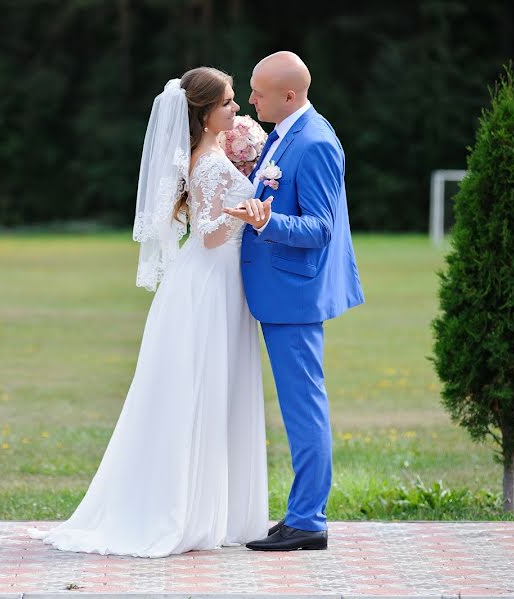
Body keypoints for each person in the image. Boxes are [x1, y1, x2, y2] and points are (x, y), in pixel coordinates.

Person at [27, 67, 269, 557]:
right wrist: (251, 213)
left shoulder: (218, 153)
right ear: (203, 114)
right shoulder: (205, 161)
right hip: (207, 284)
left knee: (215, 387)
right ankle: (186, 511)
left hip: (218, 281)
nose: (237, 110)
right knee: (199, 387)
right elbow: (209, 233)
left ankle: (213, 508)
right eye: (227, 103)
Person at [223, 51, 365, 551]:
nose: (251, 98)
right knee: (299, 406)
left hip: (294, 295)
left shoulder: (317, 142)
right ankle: (300, 515)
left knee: (304, 409)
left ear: (290, 95)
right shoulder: (286, 133)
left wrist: (265, 220)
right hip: (277, 291)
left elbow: (320, 228)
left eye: (258, 90)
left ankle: (308, 520)